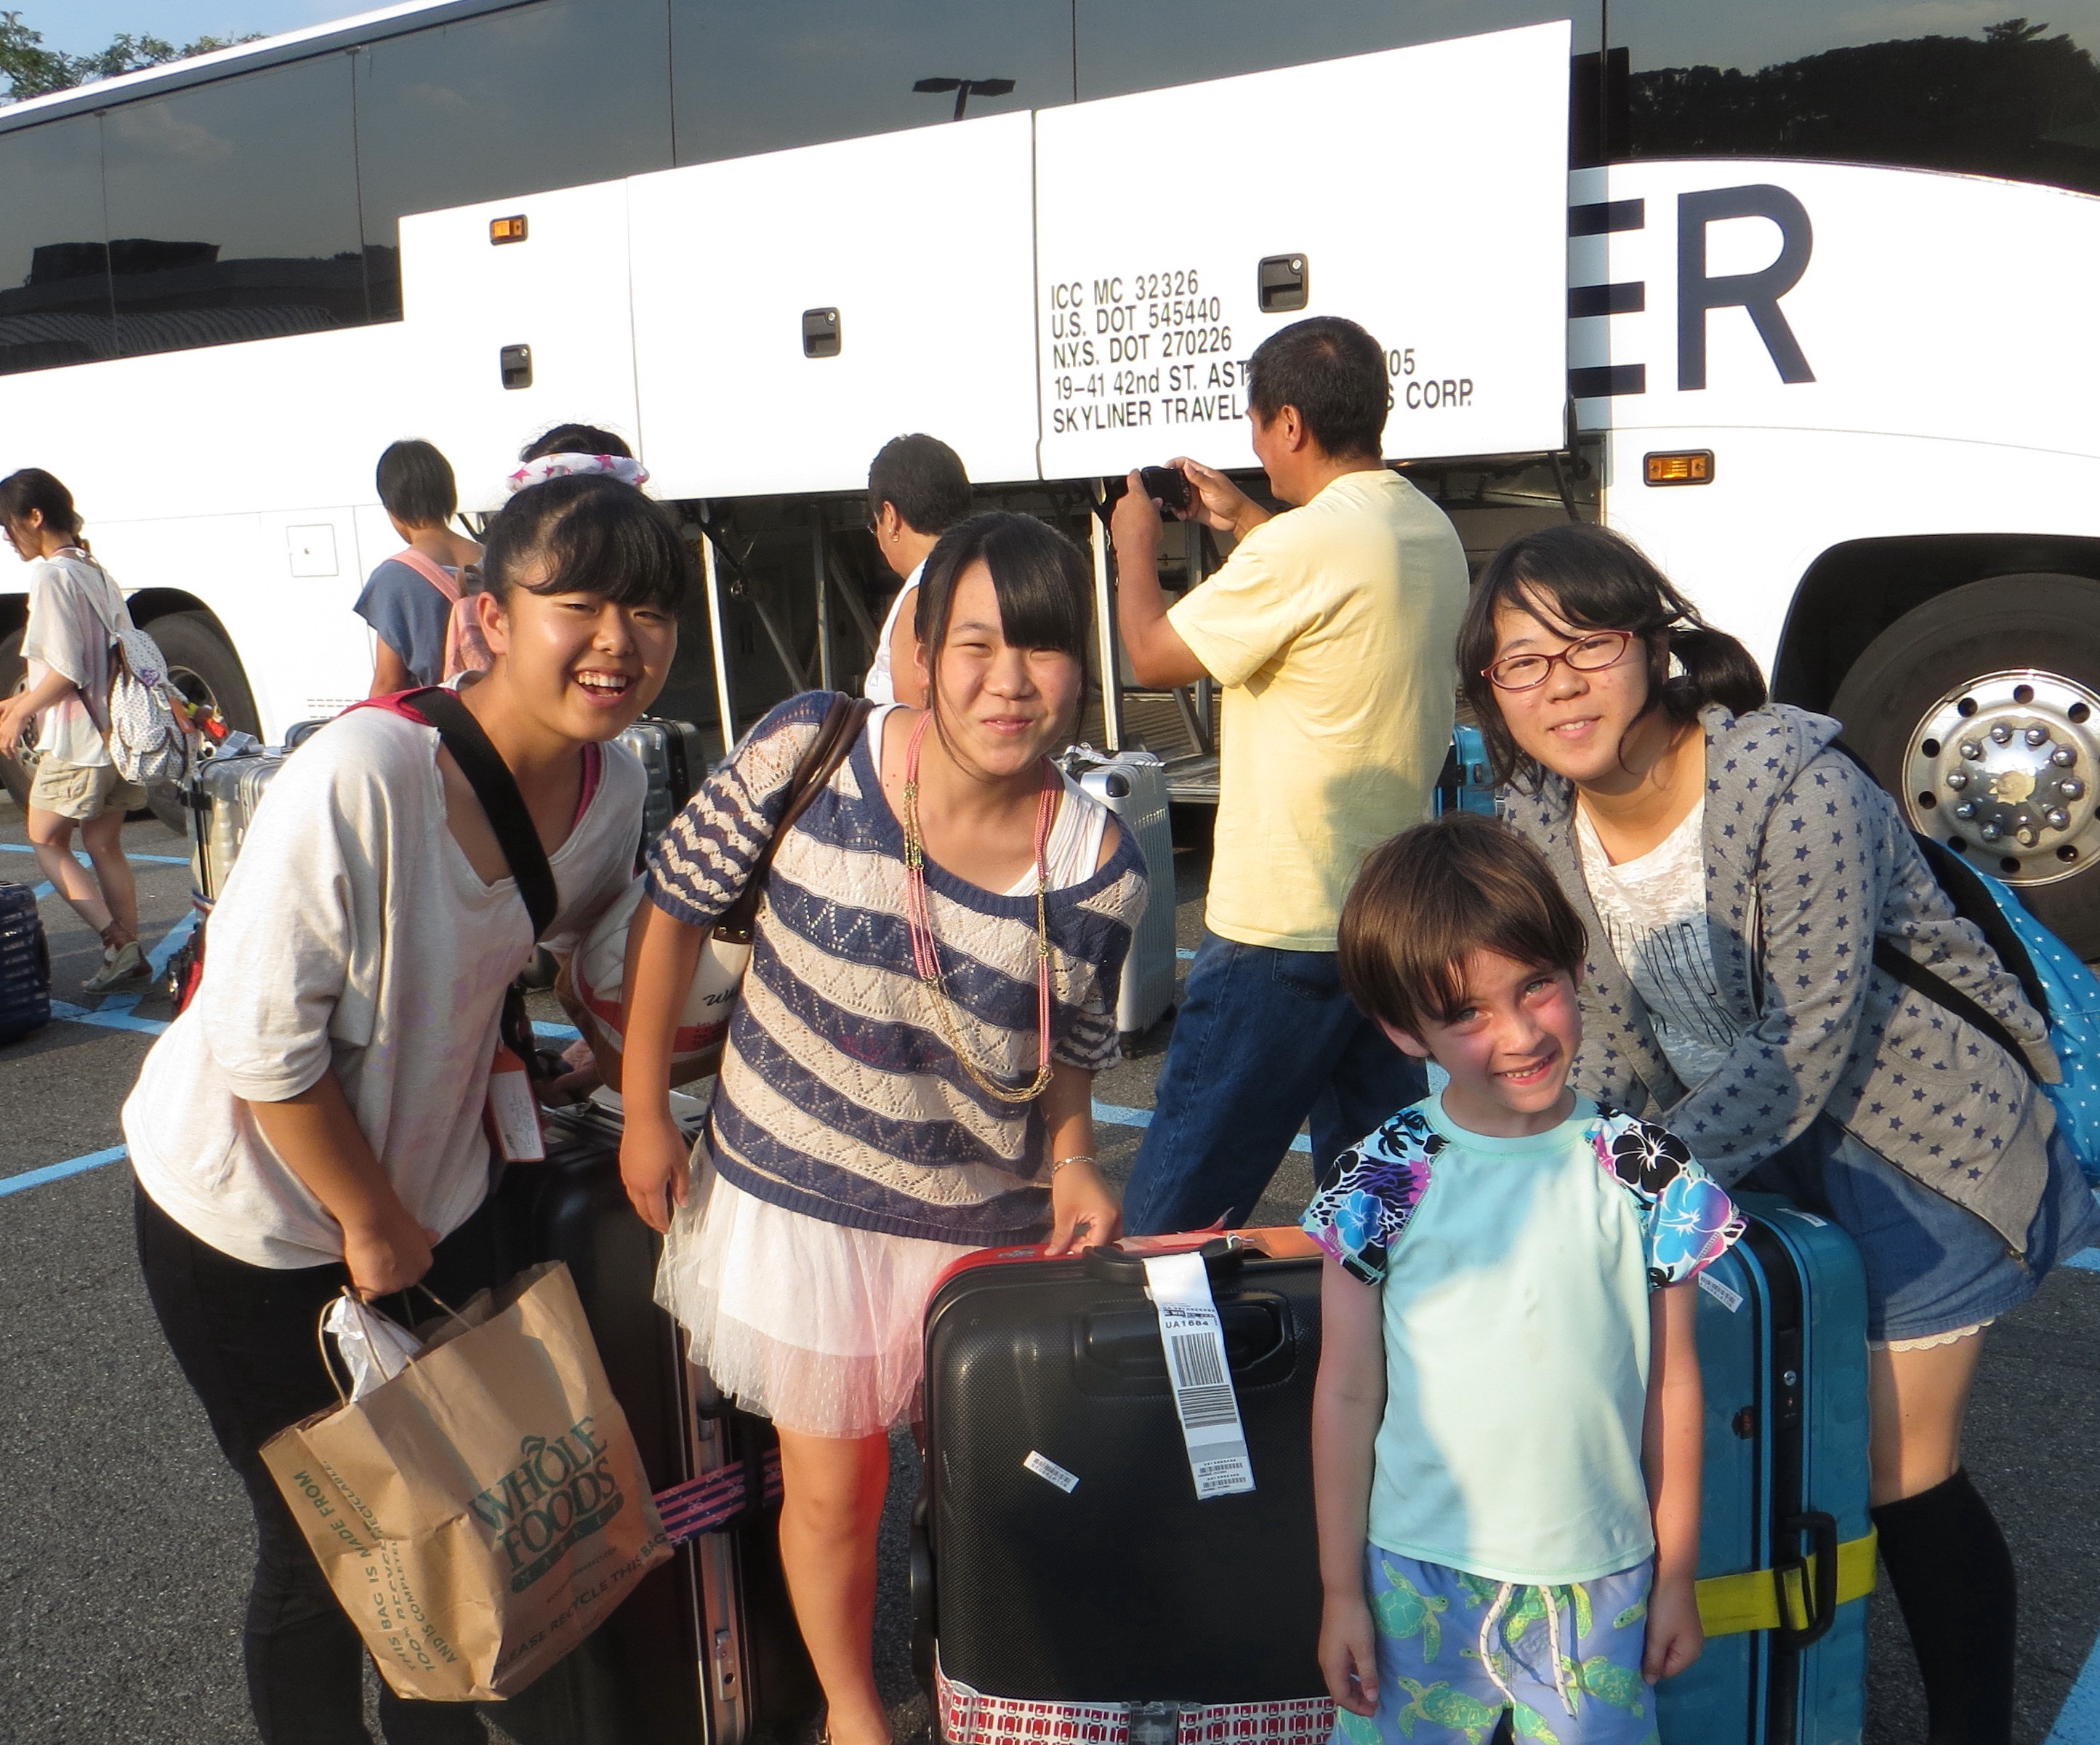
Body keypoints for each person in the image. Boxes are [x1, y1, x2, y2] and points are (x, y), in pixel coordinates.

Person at [1463, 523, 2100, 1745]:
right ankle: (1796, 1686)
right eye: (1522, 663)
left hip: (1912, 1142)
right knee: (1763, 1430)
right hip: (1736, 1142)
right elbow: (1600, 1037)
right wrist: (1555, 1169)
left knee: (1896, 1468)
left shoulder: (1793, 782)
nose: (1559, 687)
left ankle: (1972, 1727)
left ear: (1654, 646)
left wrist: (1626, 1190)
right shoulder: (1538, 818)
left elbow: (1806, 1037)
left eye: (1587, 646)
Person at [121, 467, 683, 1745]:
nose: (618, 641)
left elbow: (606, 957)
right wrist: (368, 1222)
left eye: (649, 612)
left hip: (439, 1191)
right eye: (580, 605)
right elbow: (261, 1044)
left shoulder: (611, 789)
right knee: (328, 1538)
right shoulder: (366, 773)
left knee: (458, 1506)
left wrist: (621, 1059)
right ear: (488, 618)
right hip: (251, 1213)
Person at [620, 511, 1148, 1745]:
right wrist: (645, 1109)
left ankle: (985, 1685)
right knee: (835, 1484)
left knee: (989, 1482)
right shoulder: (811, 747)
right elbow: (675, 908)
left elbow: (1072, 1049)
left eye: (1042, 648)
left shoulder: (1099, 864)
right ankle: (853, 1712)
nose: (1009, 682)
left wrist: (1076, 1160)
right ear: (920, 651)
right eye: (975, 645)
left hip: (979, 1216)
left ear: (1081, 667)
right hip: (800, 1194)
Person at [1306, 811, 1737, 1745]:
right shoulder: (1381, 1173)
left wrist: (1675, 1575)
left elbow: (1673, 1385)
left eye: (1534, 985)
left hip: (1601, 1575)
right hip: (1413, 1569)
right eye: (1464, 1013)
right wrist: (1341, 1591)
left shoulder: (1649, 1172)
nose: (1517, 1033)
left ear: (1574, 966)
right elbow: (1345, 1391)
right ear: (1403, 1031)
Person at [1106, 314, 1471, 1234]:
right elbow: (1332, 583)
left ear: (1291, 424)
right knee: (1378, 1208)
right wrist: (1239, 518)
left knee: (1176, 1215)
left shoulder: (1299, 547)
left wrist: (1132, 543)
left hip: (1280, 927)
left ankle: (1159, 1330)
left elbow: (1151, 653)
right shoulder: (1423, 526)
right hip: (1383, 921)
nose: (1257, 441)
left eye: (1257, 421)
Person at [0, 468, 148, 993]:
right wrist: (20, 701)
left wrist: (21, 712)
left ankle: (116, 940)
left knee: (44, 838)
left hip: (77, 740)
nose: (8, 537)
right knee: (105, 844)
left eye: (8, 525)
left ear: (35, 517)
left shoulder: (51, 576)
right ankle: (129, 952)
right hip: (118, 735)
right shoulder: (93, 569)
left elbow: (66, 671)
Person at [355, 438, 483, 696]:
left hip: (441, 714)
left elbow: (388, 682)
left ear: (392, 507)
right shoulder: (498, 558)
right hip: (503, 711)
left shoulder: (392, 578)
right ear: (449, 495)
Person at [861, 433, 973, 707]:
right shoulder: (990, 571)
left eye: (876, 524)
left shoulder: (921, 593)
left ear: (891, 517)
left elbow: (919, 719)